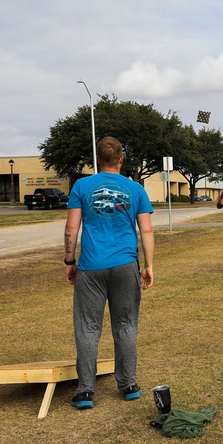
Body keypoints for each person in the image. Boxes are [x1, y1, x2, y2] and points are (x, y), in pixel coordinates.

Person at [64, 137, 155, 409]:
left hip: (91, 268)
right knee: (125, 325)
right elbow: (146, 230)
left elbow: (71, 229)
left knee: (88, 328)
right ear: (121, 159)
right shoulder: (135, 188)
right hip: (126, 265)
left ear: (97, 159)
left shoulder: (82, 186)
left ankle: (85, 391)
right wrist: (149, 265)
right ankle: (129, 384)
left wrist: (69, 261)